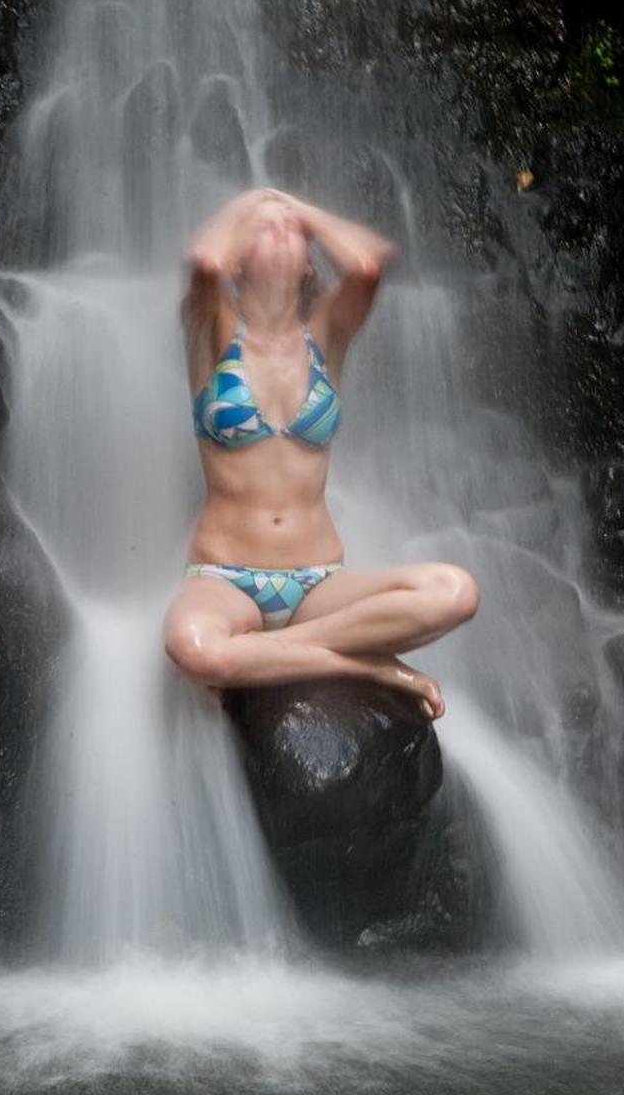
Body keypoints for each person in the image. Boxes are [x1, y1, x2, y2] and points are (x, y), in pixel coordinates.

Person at [162, 186, 479, 721]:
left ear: (310, 264)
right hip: (225, 581)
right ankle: (363, 664)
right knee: (194, 647)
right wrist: (253, 201)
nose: (282, 228)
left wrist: (296, 206)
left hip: (319, 583)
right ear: (239, 257)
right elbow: (205, 259)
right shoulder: (211, 331)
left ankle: (278, 656)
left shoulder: (325, 338)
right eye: (265, 227)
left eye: (294, 229)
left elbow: (368, 265)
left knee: (456, 591)